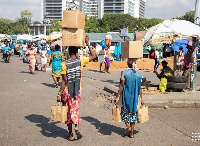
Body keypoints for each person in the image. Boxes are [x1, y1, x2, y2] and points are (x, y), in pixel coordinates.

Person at [57, 34, 96, 141]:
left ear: (69, 53)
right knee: (75, 110)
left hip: (67, 91)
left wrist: (59, 94)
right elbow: (94, 56)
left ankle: (70, 135)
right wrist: (87, 42)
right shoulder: (81, 61)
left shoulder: (64, 64)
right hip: (77, 91)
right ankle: (76, 126)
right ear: (77, 52)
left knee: (68, 112)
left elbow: (64, 81)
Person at [114, 58, 144, 138]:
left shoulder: (124, 73)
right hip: (135, 98)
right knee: (133, 114)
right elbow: (140, 88)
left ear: (128, 63)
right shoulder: (139, 74)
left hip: (126, 97)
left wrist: (117, 96)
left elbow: (122, 85)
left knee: (125, 112)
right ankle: (132, 133)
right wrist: (141, 98)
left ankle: (127, 126)